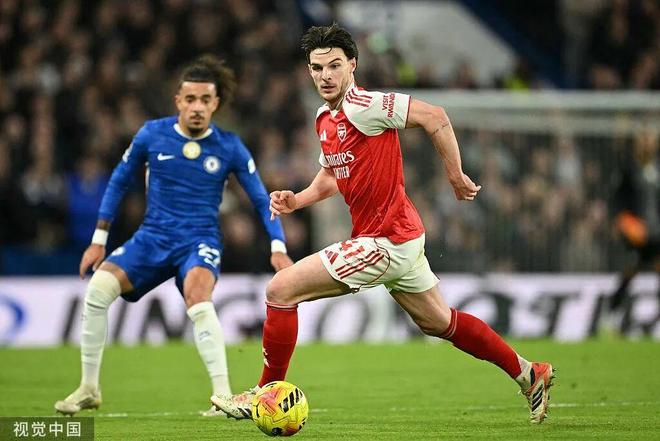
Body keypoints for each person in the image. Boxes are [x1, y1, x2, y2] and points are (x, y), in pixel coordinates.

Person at [212, 24, 555, 424]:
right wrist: (298, 199)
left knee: (281, 289)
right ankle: (529, 373)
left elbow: (435, 117)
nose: (325, 75)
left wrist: (456, 175)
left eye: (334, 65)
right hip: (400, 237)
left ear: (352, 65)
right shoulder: (324, 118)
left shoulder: (366, 104)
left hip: (385, 241)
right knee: (439, 322)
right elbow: (332, 174)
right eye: (317, 68)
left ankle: (263, 394)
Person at [54, 55, 293, 417]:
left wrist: (278, 246)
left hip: (200, 241)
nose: (197, 107)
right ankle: (89, 388)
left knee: (199, 297)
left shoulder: (229, 146)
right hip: (152, 237)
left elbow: (262, 199)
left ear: (216, 103)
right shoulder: (152, 134)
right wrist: (99, 240)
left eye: (205, 100)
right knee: (98, 290)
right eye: (190, 99)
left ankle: (222, 397)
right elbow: (118, 181)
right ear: (178, 101)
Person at [607, 129, 659, 330]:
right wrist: (622, 222)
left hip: (657, 233)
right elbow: (617, 200)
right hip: (636, 233)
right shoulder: (629, 169)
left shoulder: (657, 168)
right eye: (643, 140)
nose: (647, 144)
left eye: (650, 140)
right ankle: (611, 314)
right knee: (629, 272)